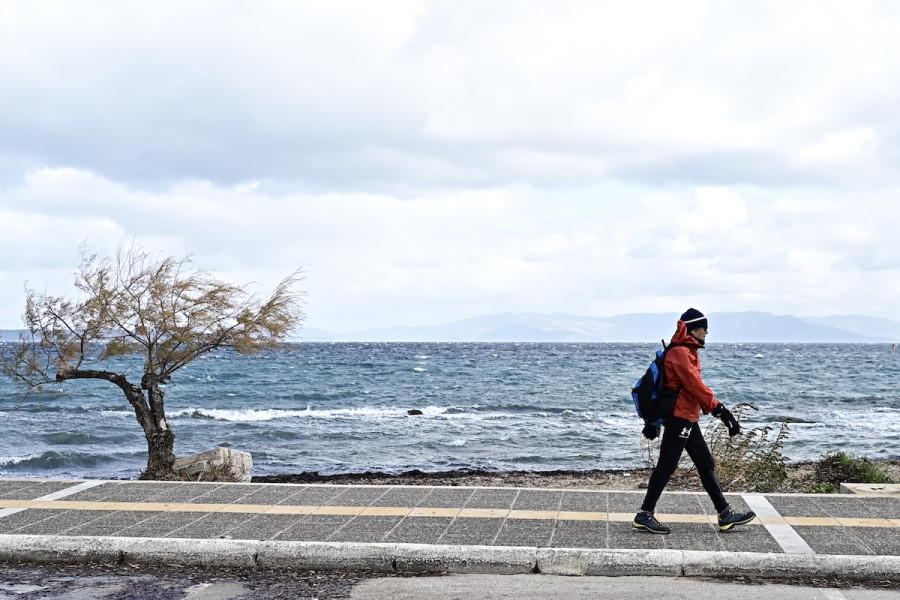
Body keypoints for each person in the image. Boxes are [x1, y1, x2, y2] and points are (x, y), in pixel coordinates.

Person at [633, 308, 756, 534]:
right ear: (691, 330)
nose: (707, 332)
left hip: (688, 417)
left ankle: (725, 514)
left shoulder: (689, 351)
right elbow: (694, 385)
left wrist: (717, 410)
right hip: (679, 419)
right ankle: (644, 514)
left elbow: (691, 388)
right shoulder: (680, 353)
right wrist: (720, 409)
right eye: (703, 328)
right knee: (667, 466)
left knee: (705, 463)